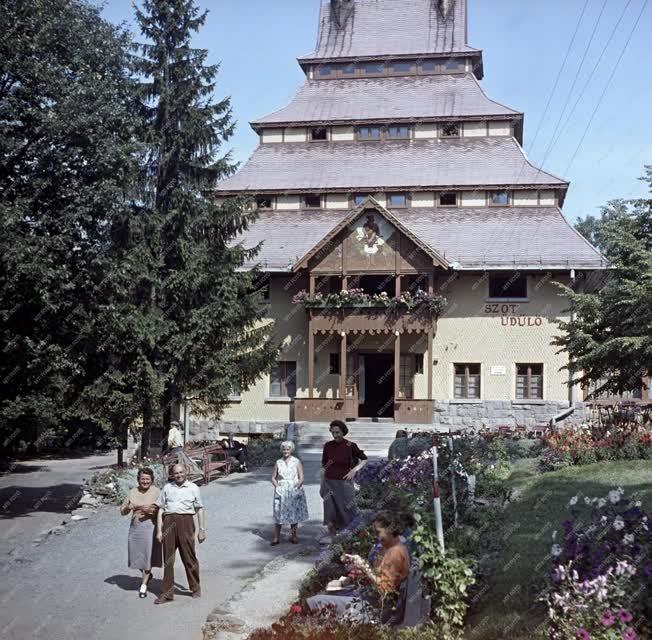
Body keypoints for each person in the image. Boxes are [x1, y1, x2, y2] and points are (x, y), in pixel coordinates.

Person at [306, 511, 410, 623]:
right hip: (368, 596)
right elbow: (376, 574)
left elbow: (384, 589)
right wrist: (355, 568)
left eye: (378, 532)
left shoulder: (395, 553)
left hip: (375, 607)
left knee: (314, 602)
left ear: (390, 529)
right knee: (324, 596)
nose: (375, 536)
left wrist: (363, 566)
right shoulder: (389, 547)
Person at [154, 464, 205, 604]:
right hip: (169, 521)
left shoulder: (193, 488)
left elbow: (199, 509)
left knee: (189, 557)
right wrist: (159, 530)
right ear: (172, 474)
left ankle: (195, 587)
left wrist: (202, 529)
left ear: (186, 472)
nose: (179, 475)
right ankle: (167, 593)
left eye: (181, 472)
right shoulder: (167, 488)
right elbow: (160, 510)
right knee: (168, 560)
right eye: (176, 473)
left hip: (186, 522)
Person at [320, 420, 368, 543]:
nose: (335, 435)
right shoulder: (328, 445)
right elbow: (324, 466)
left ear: (343, 432)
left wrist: (354, 471)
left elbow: (364, 459)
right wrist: (321, 485)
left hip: (345, 484)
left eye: (338, 432)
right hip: (328, 483)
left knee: (348, 510)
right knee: (330, 512)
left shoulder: (350, 445)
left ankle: (351, 539)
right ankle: (334, 539)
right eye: (333, 432)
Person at [120, 468, 162, 598]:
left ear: (152, 480)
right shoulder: (133, 491)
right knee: (135, 556)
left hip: (150, 527)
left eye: (147, 479)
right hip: (135, 527)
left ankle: (143, 585)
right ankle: (148, 575)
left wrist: (150, 511)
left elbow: (162, 510)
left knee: (147, 556)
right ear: (138, 479)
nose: (145, 481)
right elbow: (122, 511)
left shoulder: (156, 491)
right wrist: (128, 507)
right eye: (142, 479)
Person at [271, 441, 309, 545]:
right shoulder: (278, 462)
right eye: (284, 449)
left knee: (293, 513)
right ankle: (276, 538)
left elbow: (301, 477)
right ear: (281, 450)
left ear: (291, 450)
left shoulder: (296, 461)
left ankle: (293, 536)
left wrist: (296, 487)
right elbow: (273, 477)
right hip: (281, 490)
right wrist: (277, 487)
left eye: (288, 449)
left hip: (293, 489)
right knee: (278, 513)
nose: (285, 451)